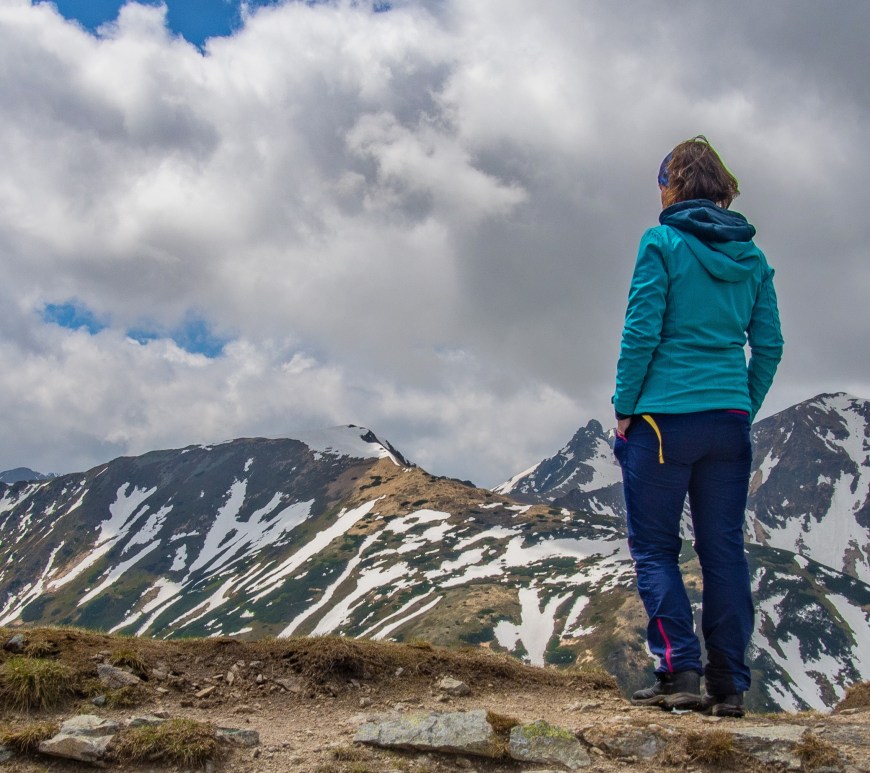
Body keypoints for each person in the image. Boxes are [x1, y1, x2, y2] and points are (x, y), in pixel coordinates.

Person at [611, 136, 784, 717]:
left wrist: (624, 406)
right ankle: (729, 686)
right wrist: (743, 405)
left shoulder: (660, 241)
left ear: (674, 186)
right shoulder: (754, 259)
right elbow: (770, 346)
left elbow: (642, 331)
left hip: (662, 420)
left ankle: (678, 671)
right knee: (725, 551)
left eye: (661, 182)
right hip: (728, 424)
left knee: (655, 549)